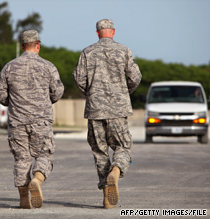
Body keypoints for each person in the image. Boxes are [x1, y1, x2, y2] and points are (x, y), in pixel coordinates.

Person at [73, 19, 142, 209]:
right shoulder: (124, 50)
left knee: (100, 152)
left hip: (95, 109)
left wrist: (91, 93)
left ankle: (106, 197)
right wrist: (123, 91)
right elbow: (135, 77)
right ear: (113, 32)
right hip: (118, 110)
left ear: (97, 33)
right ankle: (117, 169)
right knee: (123, 146)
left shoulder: (87, 52)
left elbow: (79, 78)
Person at [0, 30, 64, 209]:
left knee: (22, 159)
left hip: (17, 122)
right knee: (44, 155)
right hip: (41, 121)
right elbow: (57, 92)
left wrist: (14, 103)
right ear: (38, 45)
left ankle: (24, 198)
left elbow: (0, 93)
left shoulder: (9, 67)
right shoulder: (48, 67)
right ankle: (38, 179)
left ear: (23, 46)